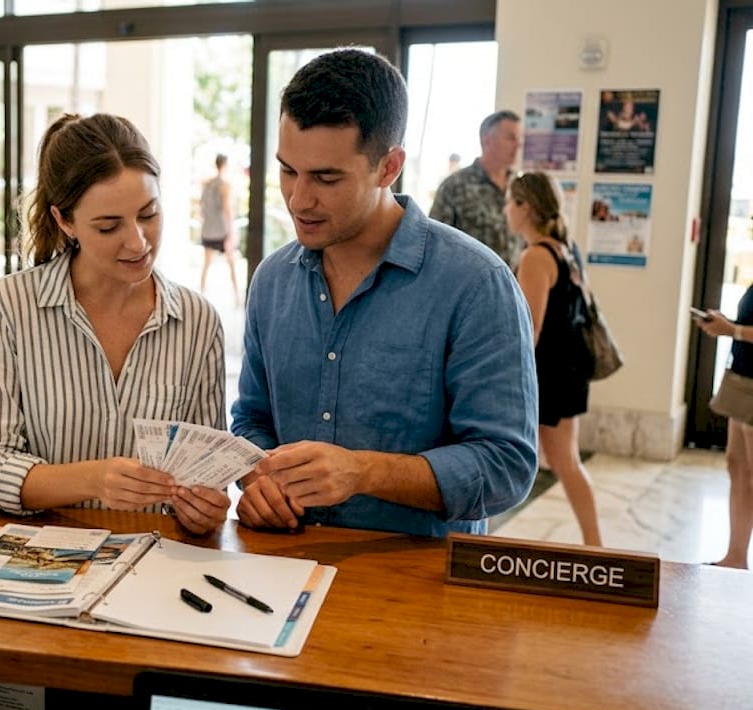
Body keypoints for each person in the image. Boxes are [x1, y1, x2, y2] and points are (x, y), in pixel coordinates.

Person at [230, 48, 538, 538]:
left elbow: (507, 466)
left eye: (326, 178)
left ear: (389, 166)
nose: (297, 198)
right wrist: (256, 476)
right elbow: (250, 418)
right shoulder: (271, 281)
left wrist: (364, 472)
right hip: (283, 570)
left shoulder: (476, 284)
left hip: (418, 584)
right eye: (289, 169)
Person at [0, 112, 230, 535]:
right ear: (64, 221)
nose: (138, 242)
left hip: (154, 566)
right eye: (109, 226)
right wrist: (94, 479)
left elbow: (206, 470)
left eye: (149, 214)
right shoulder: (9, 307)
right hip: (44, 561)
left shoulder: (197, 321)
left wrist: (205, 508)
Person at [507, 171, 602, 546]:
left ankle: (595, 544)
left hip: (551, 374)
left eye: (509, 202)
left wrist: (511, 379)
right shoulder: (566, 247)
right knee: (565, 459)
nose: (504, 211)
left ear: (525, 207)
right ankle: (594, 541)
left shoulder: (535, 256)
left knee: (563, 460)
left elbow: (529, 330)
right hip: (569, 370)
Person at [695, 298, 753, 569]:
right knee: (737, 465)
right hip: (743, 379)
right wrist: (727, 323)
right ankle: (735, 558)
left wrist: (731, 330)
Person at [430, 110, 523, 269]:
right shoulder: (455, 186)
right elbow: (435, 244)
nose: (518, 144)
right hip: (471, 287)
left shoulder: (520, 186)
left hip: (514, 288)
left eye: (520, 139)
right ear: (487, 141)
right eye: (511, 138)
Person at [198, 153, 241, 306]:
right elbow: (227, 210)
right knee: (232, 265)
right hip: (222, 231)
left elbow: (201, 208)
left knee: (206, 265)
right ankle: (238, 298)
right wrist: (231, 232)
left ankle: (200, 297)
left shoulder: (207, 184)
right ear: (224, 165)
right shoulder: (224, 185)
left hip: (208, 230)